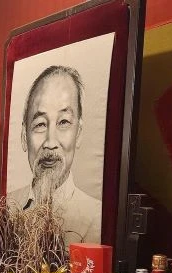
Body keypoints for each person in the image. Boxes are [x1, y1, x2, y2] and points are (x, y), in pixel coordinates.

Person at [9, 65, 102, 245]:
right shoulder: (9, 206)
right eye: (40, 124)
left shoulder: (96, 216)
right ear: (23, 135)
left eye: (64, 122)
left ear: (79, 134)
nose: (50, 143)